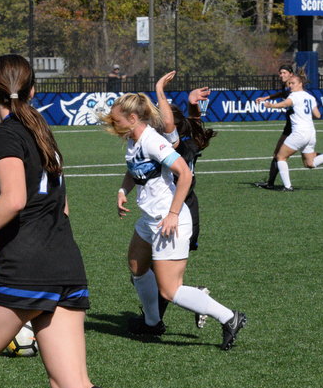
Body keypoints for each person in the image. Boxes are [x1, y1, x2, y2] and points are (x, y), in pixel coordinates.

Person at [0, 54, 136, 388]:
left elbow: (14, 200)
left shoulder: (4, 134)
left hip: (25, 268)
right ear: (32, 91)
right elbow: (57, 207)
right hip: (66, 264)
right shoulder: (41, 129)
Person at [101, 92, 246, 351]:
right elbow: (134, 169)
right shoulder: (133, 140)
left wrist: (173, 214)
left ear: (133, 118)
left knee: (170, 290)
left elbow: (184, 174)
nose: (113, 125)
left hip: (169, 221)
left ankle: (229, 318)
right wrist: (123, 190)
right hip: (150, 219)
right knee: (136, 266)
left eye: (116, 120)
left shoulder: (152, 141)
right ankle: (152, 322)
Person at [254, 64, 323, 189]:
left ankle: (286, 186)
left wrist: (271, 105)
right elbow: (318, 115)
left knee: (280, 156)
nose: (289, 85)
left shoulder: (294, 95)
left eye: (284, 73)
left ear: (297, 81)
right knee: (309, 163)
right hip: (310, 132)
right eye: (280, 73)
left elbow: (285, 103)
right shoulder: (309, 97)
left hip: (298, 131)